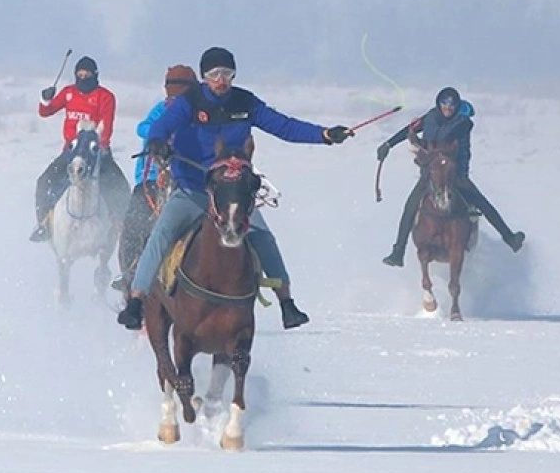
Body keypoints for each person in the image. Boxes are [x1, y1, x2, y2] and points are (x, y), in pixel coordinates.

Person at [116, 47, 355, 331]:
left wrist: (324, 135)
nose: (221, 80)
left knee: (263, 236)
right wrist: (157, 141)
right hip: (193, 189)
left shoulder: (245, 102)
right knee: (162, 234)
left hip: (233, 193)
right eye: (214, 74)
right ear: (204, 77)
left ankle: (287, 303)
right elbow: (161, 126)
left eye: (227, 74)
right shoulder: (189, 102)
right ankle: (136, 300)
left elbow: (285, 127)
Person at [376, 87, 524, 266]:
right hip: (430, 174)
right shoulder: (430, 116)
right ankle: (398, 252)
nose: (448, 107)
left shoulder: (463, 123)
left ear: (457, 105)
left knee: (481, 202)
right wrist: (388, 144)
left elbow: (445, 141)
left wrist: (422, 144)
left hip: (455, 173)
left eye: (452, 104)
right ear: (438, 104)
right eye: (444, 103)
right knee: (410, 206)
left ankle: (509, 238)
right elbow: (409, 129)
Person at [111, 65, 198, 292]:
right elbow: (144, 127)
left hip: (190, 179)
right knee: (133, 227)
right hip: (150, 180)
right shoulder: (161, 109)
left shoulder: (200, 113)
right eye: (172, 87)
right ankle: (130, 273)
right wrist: (161, 136)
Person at [30, 56, 130, 242]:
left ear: (95, 75)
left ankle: (121, 225)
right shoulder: (69, 93)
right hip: (72, 152)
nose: (83, 78)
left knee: (120, 187)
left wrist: (99, 147)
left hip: (96, 152)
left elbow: (106, 127)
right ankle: (44, 223)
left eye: (87, 75)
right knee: (44, 181)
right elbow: (46, 112)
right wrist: (45, 99)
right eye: (79, 75)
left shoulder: (105, 97)